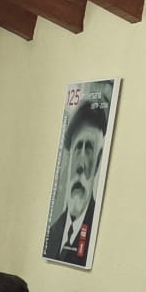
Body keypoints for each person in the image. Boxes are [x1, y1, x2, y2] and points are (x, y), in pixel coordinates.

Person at [43, 87, 111, 266]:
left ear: (97, 161)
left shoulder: (102, 236)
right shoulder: (53, 232)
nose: (80, 165)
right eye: (77, 148)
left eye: (89, 149)